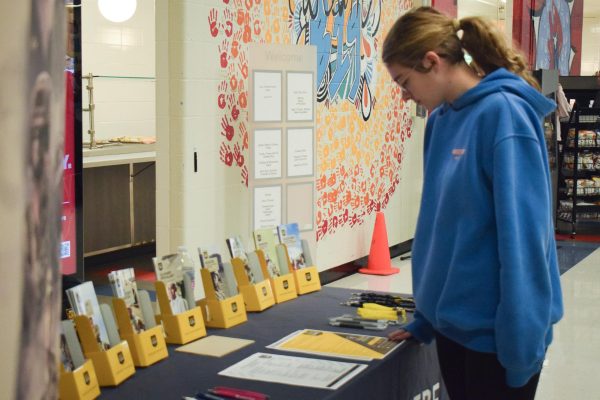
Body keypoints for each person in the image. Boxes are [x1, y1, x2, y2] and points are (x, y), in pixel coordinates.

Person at [382, 7, 563, 400]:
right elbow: (437, 224)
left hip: (500, 340)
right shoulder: (441, 121)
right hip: (453, 329)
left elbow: (526, 243)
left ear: (432, 61)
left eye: (404, 81)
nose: (404, 94)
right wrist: (426, 316)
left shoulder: (506, 115)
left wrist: (520, 348)